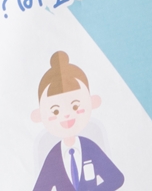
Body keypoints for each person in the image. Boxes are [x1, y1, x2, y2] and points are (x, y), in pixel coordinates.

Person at [28, 52, 124, 191]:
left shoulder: (89, 147)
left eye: (75, 106)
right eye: (55, 111)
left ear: (92, 102)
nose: (66, 115)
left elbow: (116, 178)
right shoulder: (54, 156)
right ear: (39, 115)